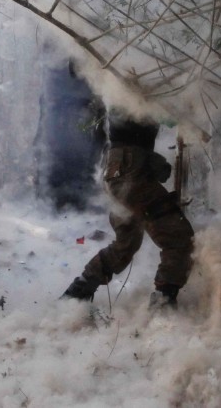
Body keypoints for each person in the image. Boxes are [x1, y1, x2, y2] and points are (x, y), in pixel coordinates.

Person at [62, 110, 195, 307]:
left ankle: (76, 295)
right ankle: (163, 304)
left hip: (116, 173)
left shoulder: (124, 86)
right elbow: (167, 117)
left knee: (126, 243)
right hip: (130, 171)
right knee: (178, 238)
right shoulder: (140, 87)